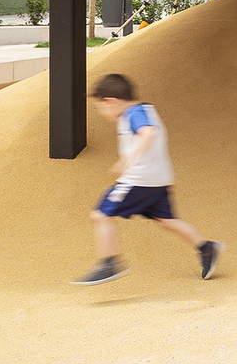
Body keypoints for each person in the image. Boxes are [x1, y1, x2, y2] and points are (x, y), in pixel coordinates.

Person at [72, 73, 221, 286]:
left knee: (100, 215)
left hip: (138, 180)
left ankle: (108, 263)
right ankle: (207, 248)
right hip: (158, 180)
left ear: (112, 101)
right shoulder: (145, 109)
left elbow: (148, 132)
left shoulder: (134, 113)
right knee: (167, 220)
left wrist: (127, 160)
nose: (102, 113)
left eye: (100, 108)